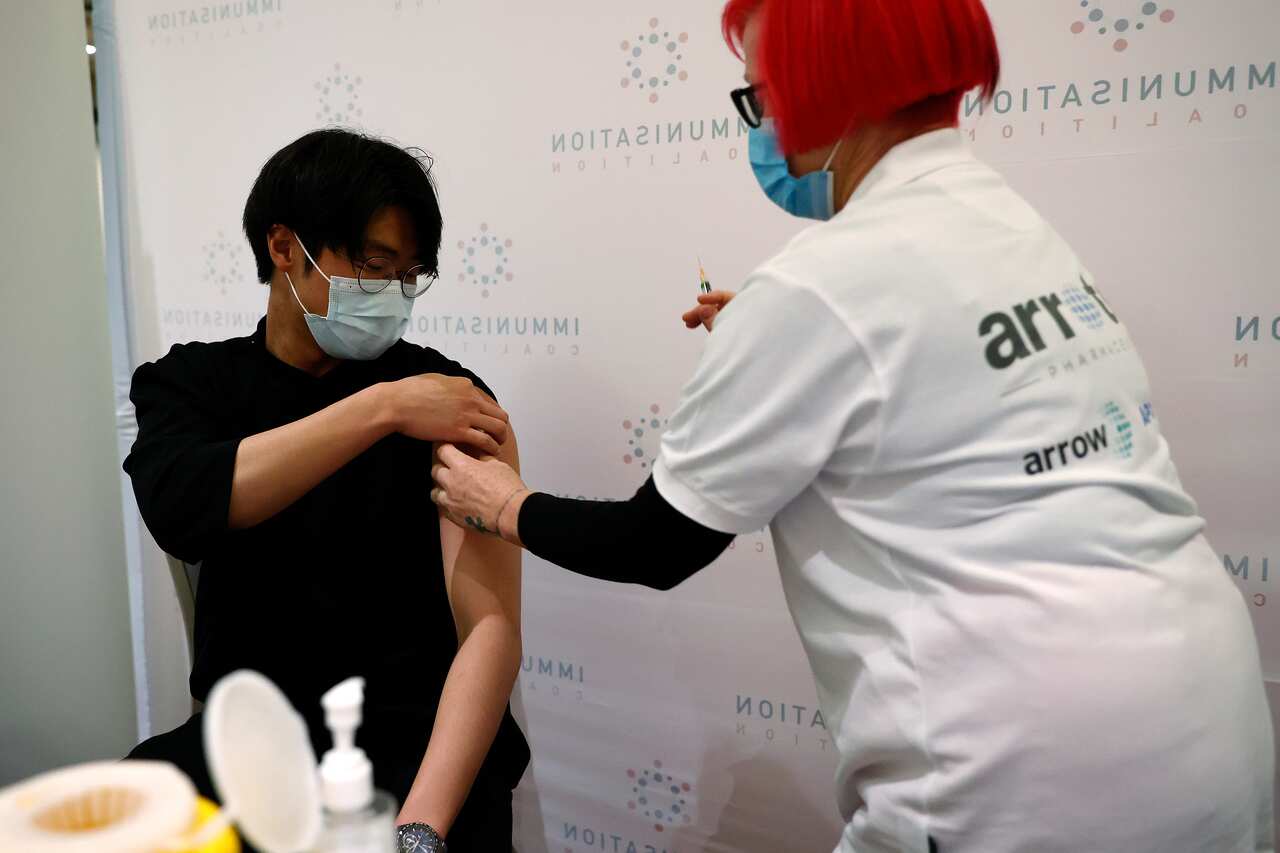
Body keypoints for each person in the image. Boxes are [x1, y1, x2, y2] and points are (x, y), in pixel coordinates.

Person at [429, 1, 1275, 851]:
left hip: (1029, 766)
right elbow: (924, 372)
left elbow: (656, 544)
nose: (761, 130)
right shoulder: (1007, 223)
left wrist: (504, 504)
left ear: (829, 87)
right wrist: (776, 344)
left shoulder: (819, 286)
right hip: (1202, 709)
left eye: (761, 98)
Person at [123, 128, 527, 853]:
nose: (393, 294)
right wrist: (384, 408)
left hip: (413, 746)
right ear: (284, 247)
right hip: (248, 744)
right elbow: (186, 508)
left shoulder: (449, 401)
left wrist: (419, 829)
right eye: (373, 267)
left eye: (409, 275)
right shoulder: (192, 384)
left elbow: (489, 629)